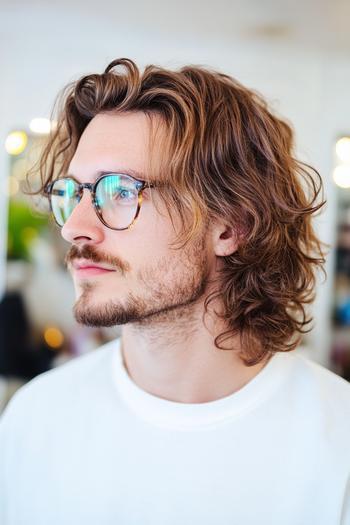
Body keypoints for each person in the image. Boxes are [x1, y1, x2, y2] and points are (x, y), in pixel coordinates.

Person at [0, 58, 349, 525]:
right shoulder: (34, 419)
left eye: (119, 190)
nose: (74, 229)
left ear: (231, 226)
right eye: (73, 194)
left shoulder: (337, 442)